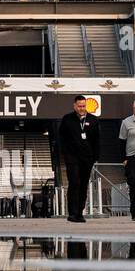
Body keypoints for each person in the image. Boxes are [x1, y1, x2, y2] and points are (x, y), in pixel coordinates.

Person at [57, 95, 100, 223]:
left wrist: (95, 157)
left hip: (87, 158)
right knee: (74, 182)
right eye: (79, 106)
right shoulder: (67, 119)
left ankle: (80, 212)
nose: (82, 108)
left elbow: (97, 140)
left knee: (83, 185)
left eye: (83, 106)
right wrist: (64, 153)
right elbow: (61, 138)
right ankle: (72, 213)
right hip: (72, 157)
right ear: (74, 106)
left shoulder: (93, 120)